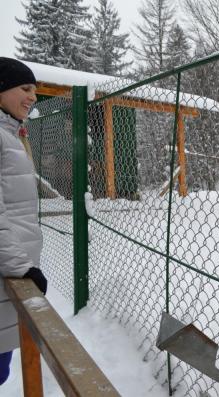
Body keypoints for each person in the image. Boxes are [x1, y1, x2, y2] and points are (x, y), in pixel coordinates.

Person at [0, 57, 47, 386]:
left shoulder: (10, 135)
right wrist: (23, 267)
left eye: (35, 90)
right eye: (25, 88)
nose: (33, 96)